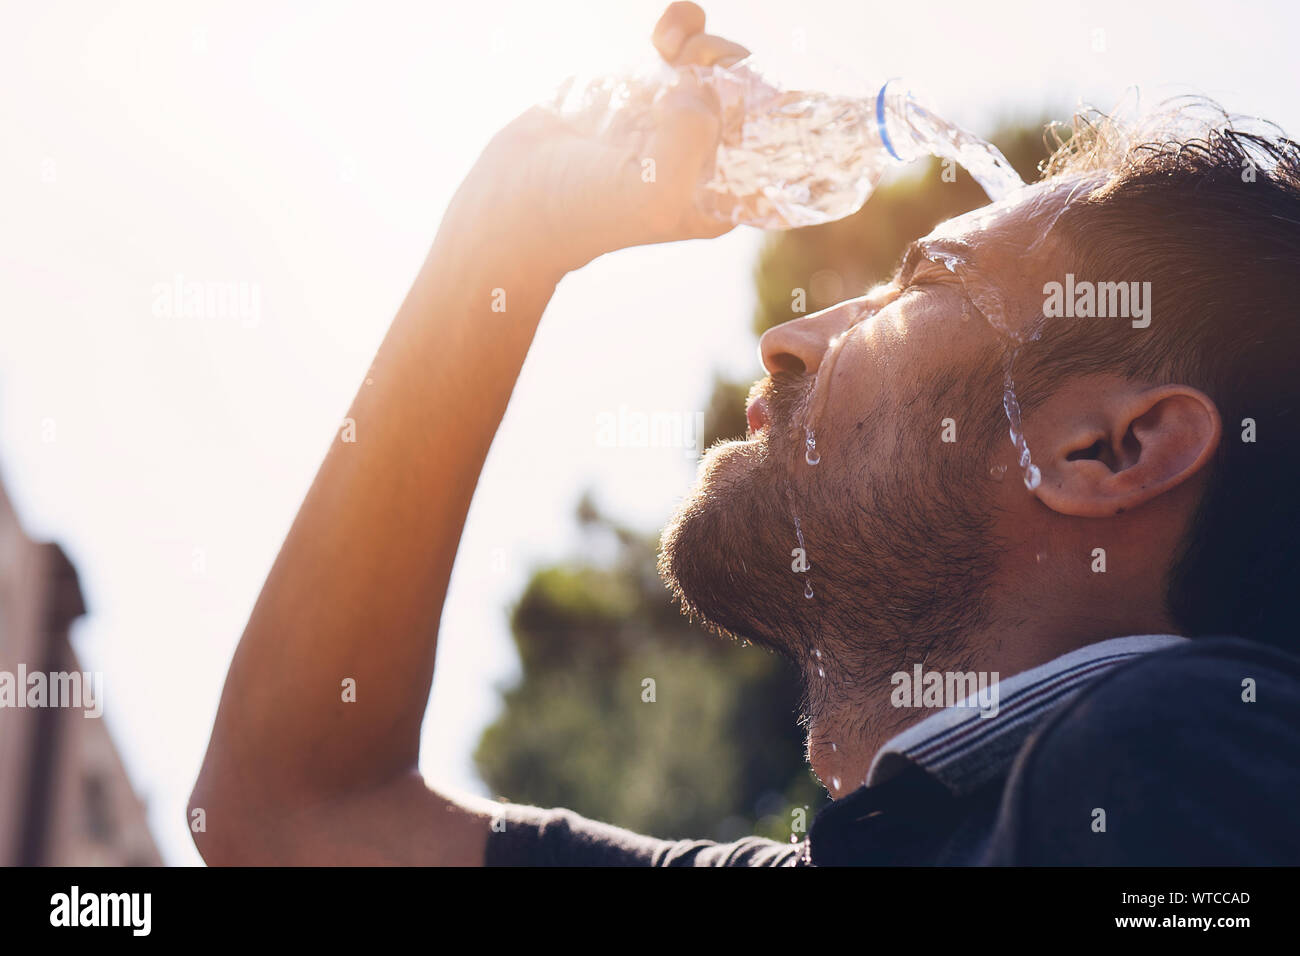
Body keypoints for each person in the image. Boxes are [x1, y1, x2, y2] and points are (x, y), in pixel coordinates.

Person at [189, 2, 1300, 865]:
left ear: (1107, 450)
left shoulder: (1180, 755)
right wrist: (500, 237)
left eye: (926, 277)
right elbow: (291, 811)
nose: (786, 337)